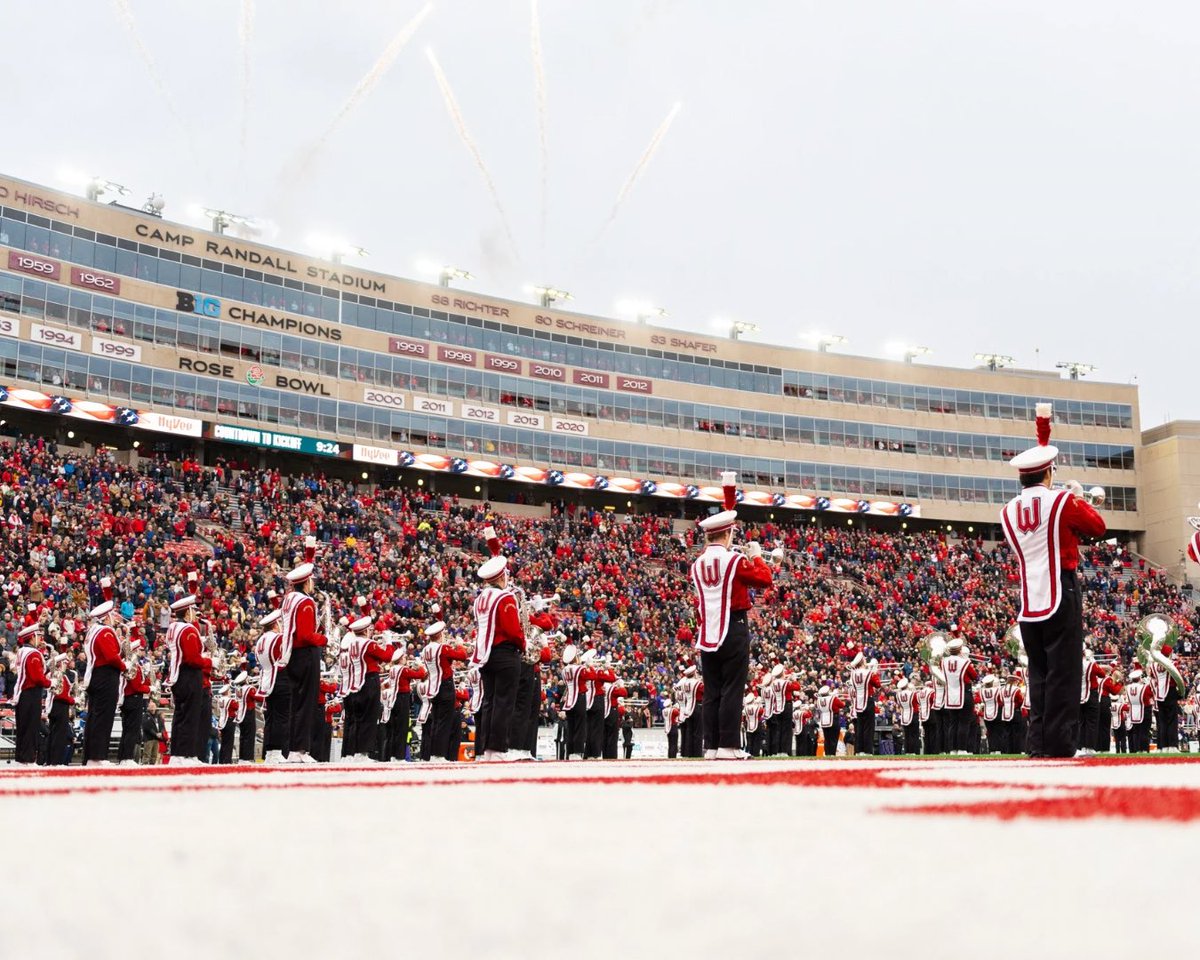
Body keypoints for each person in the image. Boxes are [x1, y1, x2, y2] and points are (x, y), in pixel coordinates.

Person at [1000, 403, 1105, 758]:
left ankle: (1038, 745)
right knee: (1065, 670)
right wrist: (1076, 497)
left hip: (1030, 597)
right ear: (1048, 473)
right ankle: (1061, 746)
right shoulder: (1062, 500)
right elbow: (1097, 527)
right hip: (1063, 587)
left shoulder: (1007, 511)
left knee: (1039, 673)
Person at [689, 472, 775, 761]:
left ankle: (711, 747)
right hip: (734, 627)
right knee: (732, 689)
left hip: (707, 632)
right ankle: (729, 746)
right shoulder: (735, 560)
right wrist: (757, 554)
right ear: (727, 534)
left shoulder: (697, 563)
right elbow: (765, 579)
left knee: (712, 691)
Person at [470, 526, 527, 762]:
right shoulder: (505, 596)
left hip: (485, 655)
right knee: (505, 702)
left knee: (490, 701)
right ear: (502, 576)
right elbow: (513, 630)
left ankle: (485, 750)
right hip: (504, 653)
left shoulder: (480, 598)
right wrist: (523, 644)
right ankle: (497, 749)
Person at [281, 537, 328, 764]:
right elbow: (306, 636)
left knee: (295, 704)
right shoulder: (306, 602)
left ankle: (293, 749)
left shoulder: (289, 599)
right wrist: (325, 639)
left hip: (292, 656)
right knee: (306, 704)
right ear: (306, 582)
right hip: (306, 655)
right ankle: (301, 749)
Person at [164, 590, 211, 767]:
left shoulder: (173, 627)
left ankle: (177, 753)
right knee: (190, 716)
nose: (195, 614)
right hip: (189, 675)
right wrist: (209, 660)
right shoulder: (188, 629)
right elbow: (192, 658)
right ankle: (187, 754)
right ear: (188, 611)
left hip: (177, 675)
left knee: (180, 715)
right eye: (193, 610)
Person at [82, 577, 126, 765]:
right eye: (112, 616)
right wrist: (125, 666)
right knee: (103, 717)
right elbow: (111, 657)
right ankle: (97, 756)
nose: (115, 618)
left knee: (95, 717)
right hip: (105, 676)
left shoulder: (93, 631)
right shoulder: (105, 632)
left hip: (96, 676)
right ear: (106, 616)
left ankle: (91, 756)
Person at [421, 621, 470, 762]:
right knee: (444, 723)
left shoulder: (426, 649)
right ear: (440, 634)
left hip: (433, 687)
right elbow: (462, 656)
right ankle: (439, 754)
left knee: (436, 722)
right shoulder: (442, 648)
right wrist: (459, 644)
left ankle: (434, 754)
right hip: (445, 686)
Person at [9, 624, 49, 764]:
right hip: (31, 693)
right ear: (32, 637)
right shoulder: (33, 653)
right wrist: (50, 683)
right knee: (31, 727)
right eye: (38, 636)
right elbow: (37, 677)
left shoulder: (22, 651)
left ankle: (21, 758)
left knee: (23, 727)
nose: (40, 639)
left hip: (22, 693)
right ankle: (28, 759)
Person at [255, 609, 291, 763]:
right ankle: (276, 751)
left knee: (270, 717)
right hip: (280, 678)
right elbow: (286, 658)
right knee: (281, 717)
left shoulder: (260, 640)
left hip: (266, 679)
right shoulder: (278, 638)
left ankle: (270, 751)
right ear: (276, 623)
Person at [117, 640, 150, 765]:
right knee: (132, 730)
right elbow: (136, 686)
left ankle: (123, 757)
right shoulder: (133, 666)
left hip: (127, 699)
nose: (142, 652)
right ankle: (127, 758)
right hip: (134, 698)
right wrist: (149, 688)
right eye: (140, 650)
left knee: (126, 730)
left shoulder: (129, 664)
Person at [847, 653, 881, 755]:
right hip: (868, 701)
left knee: (860, 727)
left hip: (858, 702)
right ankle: (867, 750)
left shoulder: (853, 674)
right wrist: (874, 672)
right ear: (862, 661)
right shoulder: (868, 673)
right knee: (868, 727)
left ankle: (860, 751)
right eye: (865, 660)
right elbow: (878, 684)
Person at [141, 698, 167, 765]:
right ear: (148, 707)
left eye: (153, 706)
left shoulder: (158, 716)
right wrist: (155, 734)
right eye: (151, 706)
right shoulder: (145, 716)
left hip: (157, 738)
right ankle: (144, 767)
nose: (152, 707)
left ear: (156, 707)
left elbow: (162, 725)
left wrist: (161, 732)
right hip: (149, 738)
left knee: (154, 756)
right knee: (147, 754)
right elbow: (146, 727)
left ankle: (152, 768)